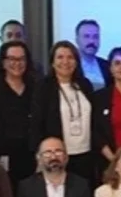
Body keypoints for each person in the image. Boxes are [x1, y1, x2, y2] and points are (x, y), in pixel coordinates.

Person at [34, 41, 100, 183]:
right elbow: (37, 124)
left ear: (76, 62)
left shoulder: (85, 84)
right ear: (52, 62)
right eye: (60, 57)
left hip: (86, 153)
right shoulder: (43, 88)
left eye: (70, 57)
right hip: (57, 156)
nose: (65, 62)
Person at [0, 40, 37, 190]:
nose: (17, 63)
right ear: (3, 62)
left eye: (21, 59)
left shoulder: (36, 88)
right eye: (12, 59)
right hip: (3, 156)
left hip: (31, 155)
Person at [75, 19, 110, 90]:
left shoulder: (107, 65)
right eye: (86, 36)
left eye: (95, 37)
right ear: (77, 40)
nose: (91, 41)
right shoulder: (69, 65)